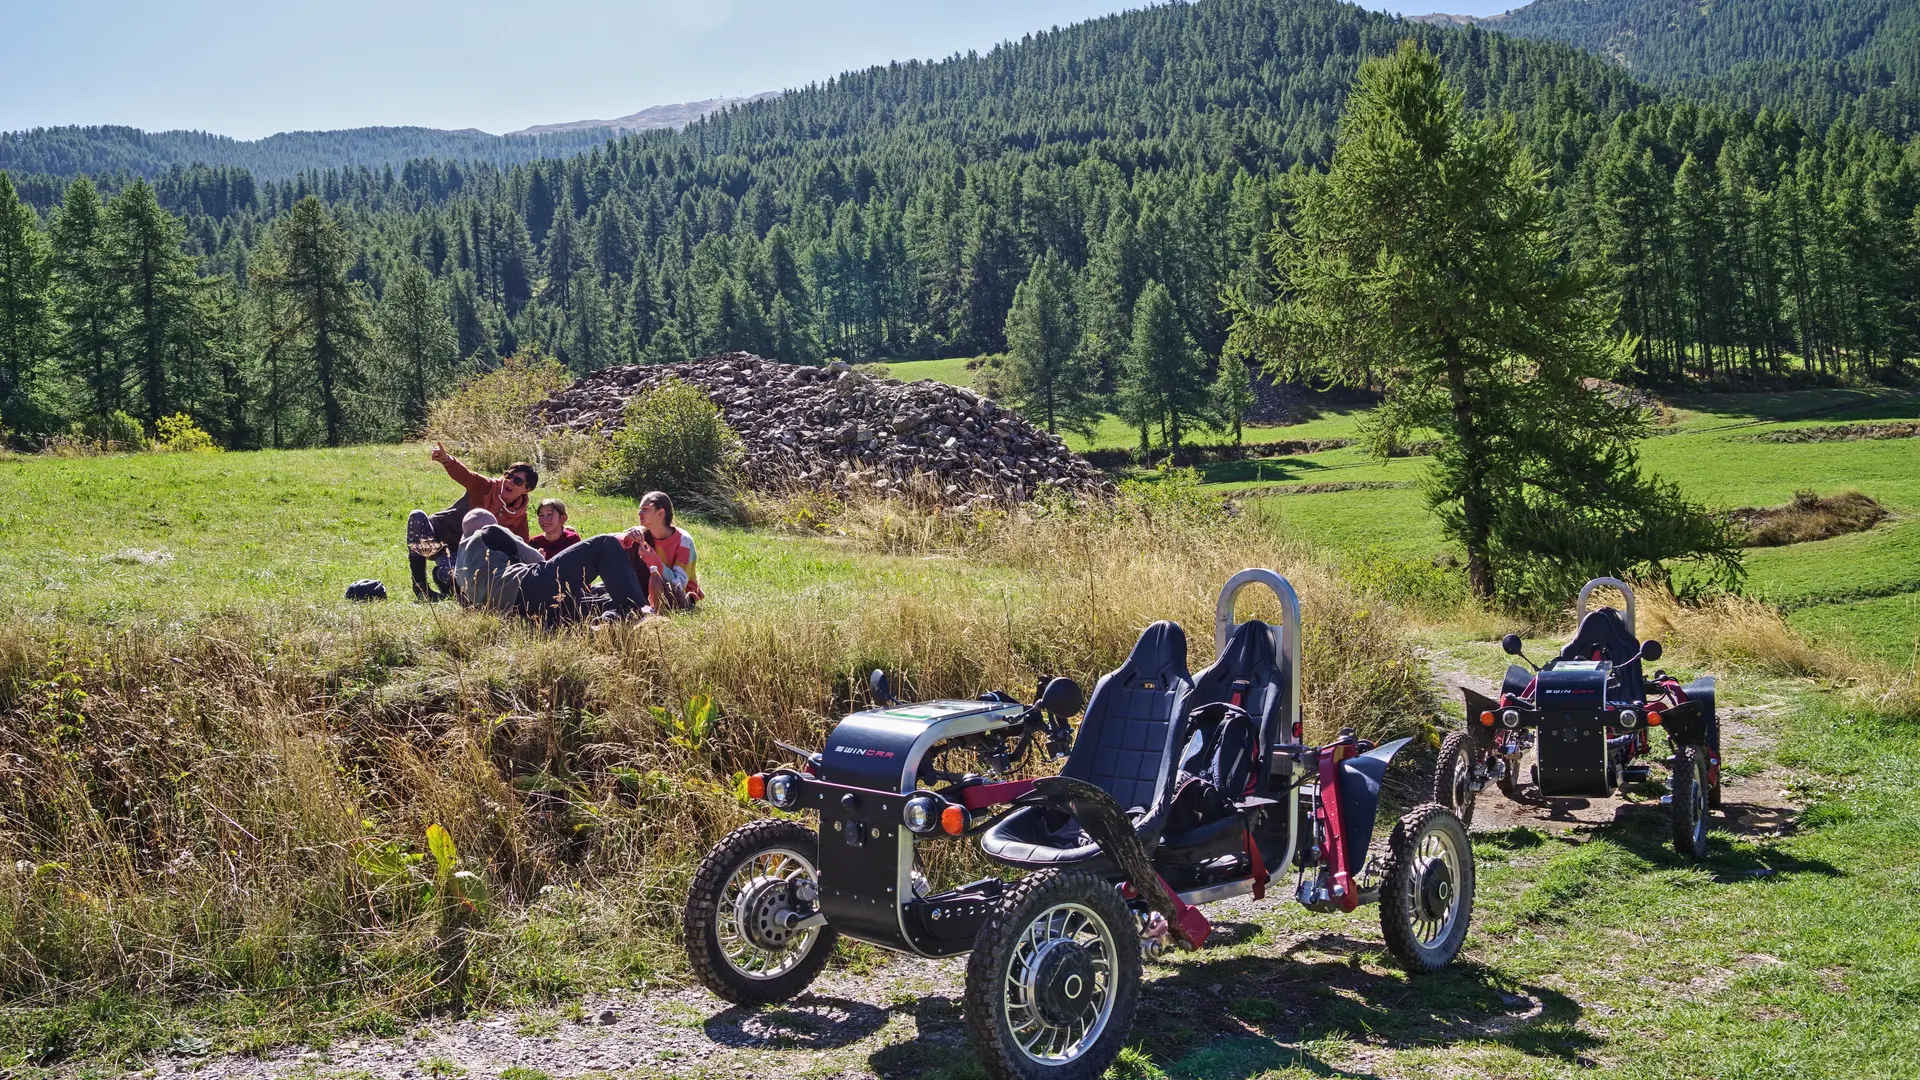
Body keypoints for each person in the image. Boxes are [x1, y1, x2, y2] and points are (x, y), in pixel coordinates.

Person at [453, 508, 652, 623]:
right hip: (527, 588)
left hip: (517, 612)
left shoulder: (460, 559)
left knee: (598, 599)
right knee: (604, 544)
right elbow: (539, 561)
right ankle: (633, 610)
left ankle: (608, 620)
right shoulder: (489, 530)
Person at [407, 445, 539, 602]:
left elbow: (521, 546)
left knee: (452, 575)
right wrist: (446, 460)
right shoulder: (486, 487)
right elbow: (467, 476)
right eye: (508, 475)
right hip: (439, 536)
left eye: (517, 480)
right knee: (417, 516)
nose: (509, 481)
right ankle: (421, 589)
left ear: (526, 490)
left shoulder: (519, 518)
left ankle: (446, 583)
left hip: (463, 554)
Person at [622, 490, 705, 611]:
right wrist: (628, 535)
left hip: (678, 596)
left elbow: (679, 584)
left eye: (645, 509)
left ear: (660, 513)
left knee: (672, 593)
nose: (639, 513)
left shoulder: (683, 541)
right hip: (647, 589)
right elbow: (616, 545)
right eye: (640, 509)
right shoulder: (644, 534)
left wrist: (653, 561)